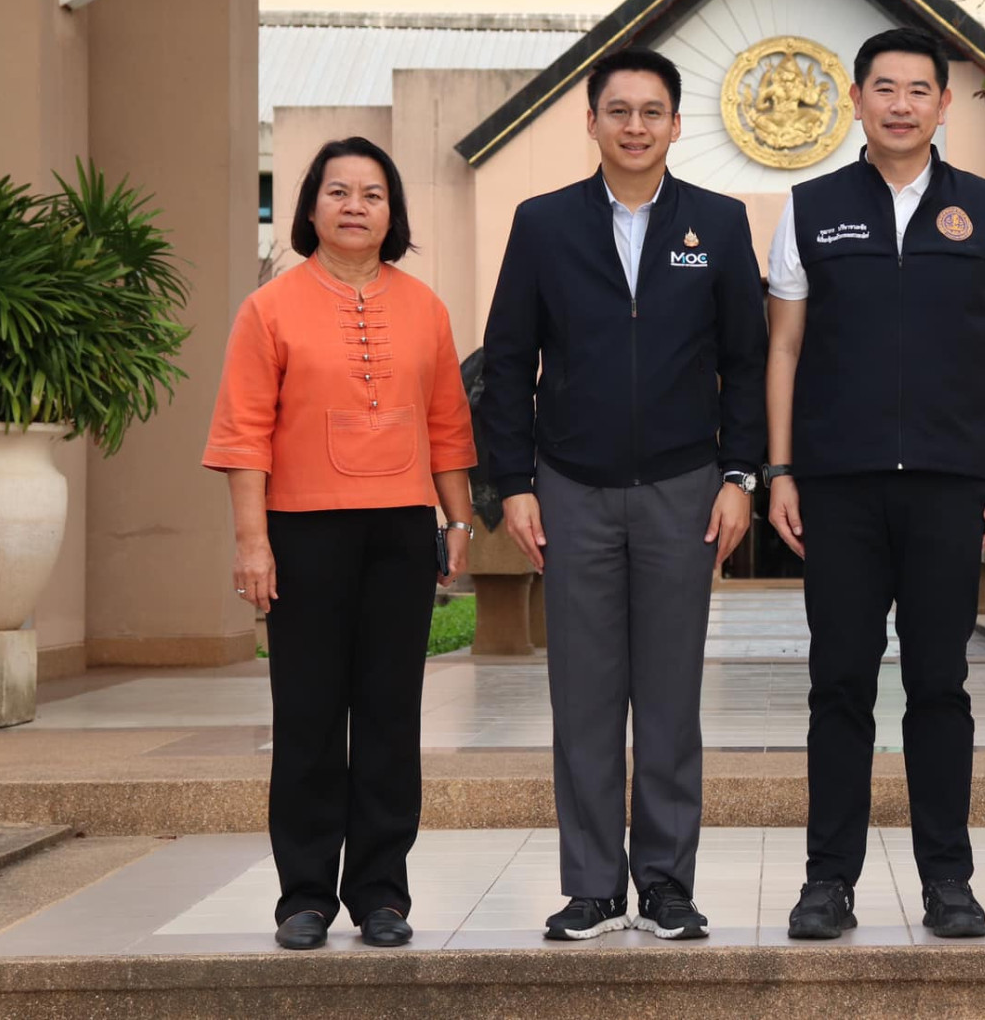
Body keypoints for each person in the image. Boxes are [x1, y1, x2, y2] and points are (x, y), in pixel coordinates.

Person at [481, 46, 767, 942]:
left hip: (684, 487)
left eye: (652, 111)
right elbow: (505, 359)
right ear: (592, 120)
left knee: (672, 694)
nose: (635, 125)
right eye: (619, 110)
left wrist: (739, 475)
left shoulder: (716, 224)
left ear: (677, 124)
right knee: (586, 694)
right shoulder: (543, 223)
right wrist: (514, 486)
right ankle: (594, 886)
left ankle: (668, 883)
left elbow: (746, 363)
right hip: (572, 487)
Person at [764, 27, 985, 940]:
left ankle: (947, 882)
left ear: (943, 104)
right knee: (838, 682)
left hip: (947, 484)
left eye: (919, 89)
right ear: (855, 99)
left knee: (940, 684)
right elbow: (785, 347)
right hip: (837, 485)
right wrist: (780, 469)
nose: (901, 104)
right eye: (884, 88)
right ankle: (826, 882)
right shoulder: (809, 206)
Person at [203, 136, 477, 952]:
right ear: (310, 207)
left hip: (399, 528)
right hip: (302, 530)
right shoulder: (270, 307)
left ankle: (383, 892)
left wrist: (456, 520)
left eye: (372, 193)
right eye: (337, 191)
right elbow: (244, 433)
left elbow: (448, 424)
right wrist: (253, 543)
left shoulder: (424, 306)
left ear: (393, 213)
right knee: (311, 714)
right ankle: (305, 897)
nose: (354, 205)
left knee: (391, 715)